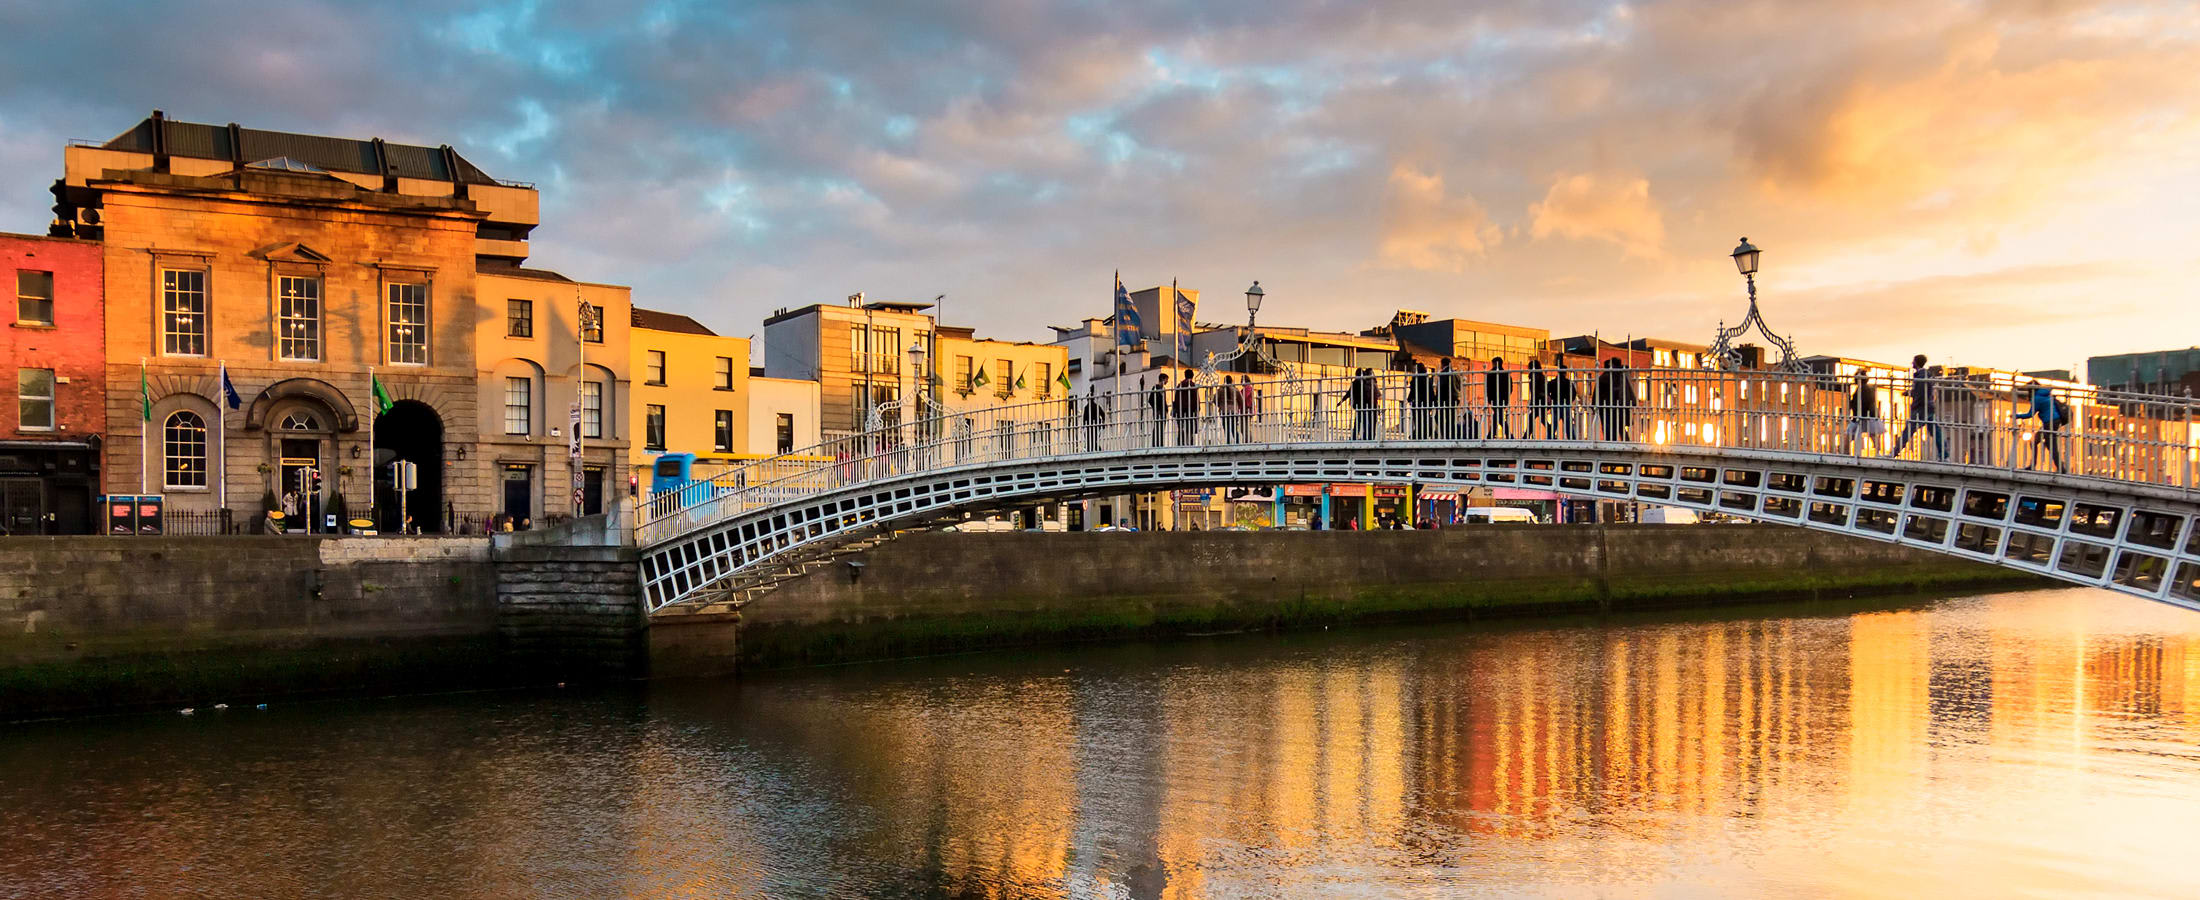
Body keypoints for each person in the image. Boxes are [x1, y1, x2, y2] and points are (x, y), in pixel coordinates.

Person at [1889, 354, 1948, 460]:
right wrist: (1909, 393)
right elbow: (1923, 391)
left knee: (1908, 431)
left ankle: (1894, 452)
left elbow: (1921, 393)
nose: (1912, 363)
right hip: (1928, 407)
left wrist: (1915, 403)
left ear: (1916, 362)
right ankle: (1944, 455)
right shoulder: (1926, 374)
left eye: (1913, 361)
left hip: (1920, 408)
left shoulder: (1921, 376)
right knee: (1936, 432)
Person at [2014, 379, 2069, 473]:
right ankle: (2036, 465)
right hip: (2055, 421)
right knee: (2037, 442)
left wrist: (2016, 416)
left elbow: (2030, 414)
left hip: (2049, 422)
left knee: (2050, 446)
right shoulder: (2045, 394)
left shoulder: (2036, 398)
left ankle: (2061, 469)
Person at [1844, 370, 1883, 455]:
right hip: (1867, 415)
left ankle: (1845, 452)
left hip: (1862, 416)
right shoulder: (1866, 388)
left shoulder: (1863, 389)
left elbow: (1861, 403)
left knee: (1849, 433)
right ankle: (1878, 453)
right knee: (1872, 435)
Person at [1594, 358, 1635, 441]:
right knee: (1620, 426)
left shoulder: (1605, 377)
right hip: (1618, 405)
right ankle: (1625, 441)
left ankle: (1611, 442)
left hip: (1606, 405)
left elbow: (1597, 393)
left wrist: (1595, 404)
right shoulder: (1621, 375)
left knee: (1608, 427)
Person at [1485, 356, 1513, 438]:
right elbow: (1510, 388)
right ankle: (1492, 434)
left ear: (1494, 363)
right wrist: (1507, 396)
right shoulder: (1506, 374)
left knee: (1498, 416)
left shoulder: (1490, 374)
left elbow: (1488, 387)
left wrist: (1489, 398)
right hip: (1504, 398)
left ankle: (1506, 434)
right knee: (1498, 415)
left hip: (1494, 398)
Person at [1525, 359, 1552, 439]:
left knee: (1532, 417)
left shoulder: (1535, 376)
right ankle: (1526, 435)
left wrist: (1532, 402)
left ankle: (1526, 435)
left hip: (1538, 401)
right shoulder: (1541, 376)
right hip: (1541, 400)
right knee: (1540, 418)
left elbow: (1535, 390)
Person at [1173, 368, 1200, 445]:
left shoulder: (1180, 385)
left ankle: (1180, 443)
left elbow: (1176, 398)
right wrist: (1197, 408)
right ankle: (1189, 443)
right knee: (1190, 428)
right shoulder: (1192, 385)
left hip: (1180, 410)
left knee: (1181, 428)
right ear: (1192, 376)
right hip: (1190, 410)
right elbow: (1195, 398)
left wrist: (1177, 408)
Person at [1148, 372, 1169, 447]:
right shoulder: (1156, 388)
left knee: (1161, 428)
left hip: (1162, 411)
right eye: (1166, 379)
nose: (1167, 381)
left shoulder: (1163, 389)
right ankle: (1156, 444)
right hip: (1158, 411)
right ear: (1162, 379)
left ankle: (1160, 443)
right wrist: (1156, 408)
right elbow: (1150, 400)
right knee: (1157, 428)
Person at [1082, 385, 1106, 452]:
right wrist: (1103, 422)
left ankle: (1091, 449)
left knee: (1090, 439)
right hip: (1095, 425)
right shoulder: (1095, 406)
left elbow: (1084, 418)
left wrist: (1084, 425)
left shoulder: (1087, 408)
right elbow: (1103, 414)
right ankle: (1094, 448)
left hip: (1091, 425)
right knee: (1093, 439)